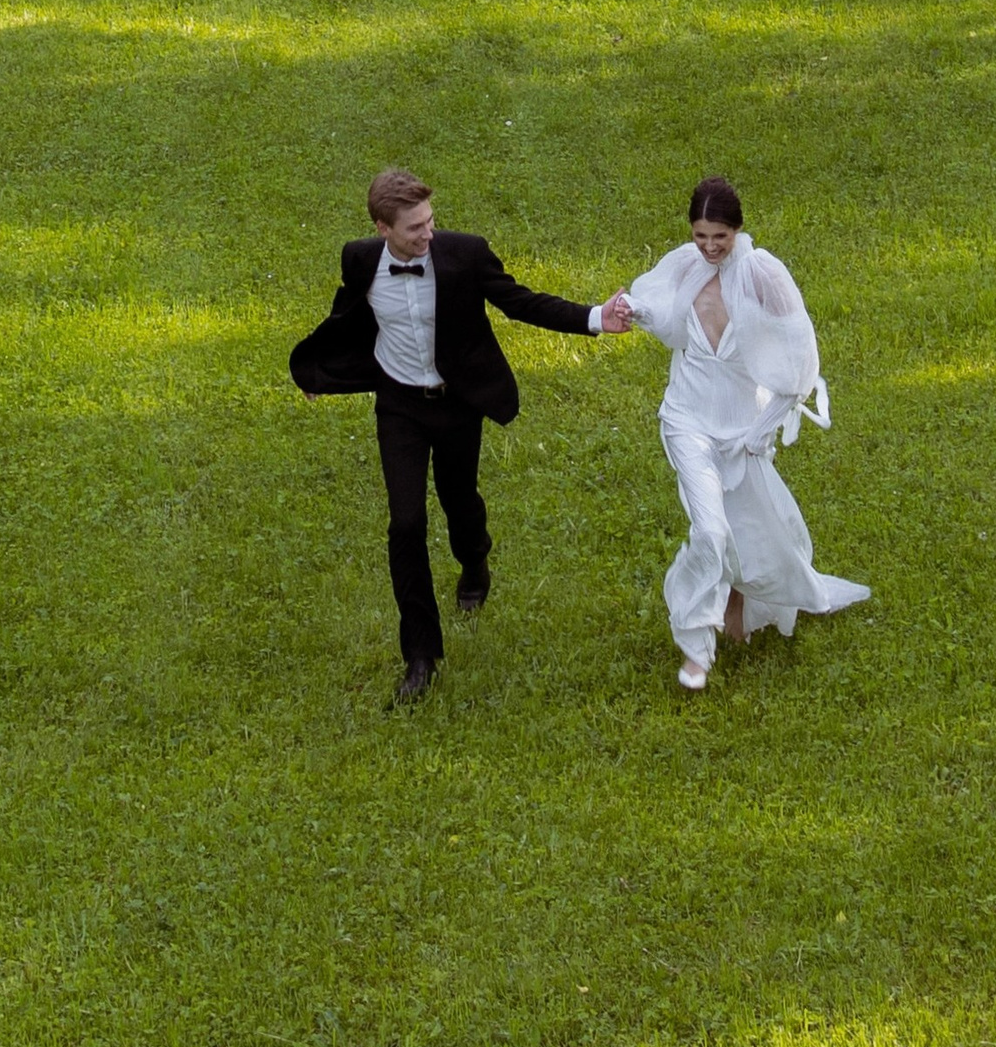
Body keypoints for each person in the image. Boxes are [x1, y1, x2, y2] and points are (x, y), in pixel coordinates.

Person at [290, 166, 633, 702]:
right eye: (413, 229)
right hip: (399, 405)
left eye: (430, 222)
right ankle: (420, 656)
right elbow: (348, 314)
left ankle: (474, 562)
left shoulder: (464, 253)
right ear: (382, 228)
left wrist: (594, 318)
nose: (427, 235)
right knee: (405, 523)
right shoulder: (360, 259)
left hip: (455, 405)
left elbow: (520, 301)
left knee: (460, 502)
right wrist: (317, 369)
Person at [611, 175, 867, 691]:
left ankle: (738, 612)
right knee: (710, 529)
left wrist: (760, 430)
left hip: (739, 428)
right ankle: (696, 651)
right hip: (686, 419)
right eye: (701, 235)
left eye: (719, 238)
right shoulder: (683, 264)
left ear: (737, 230)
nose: (708, 248)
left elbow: (799, 365)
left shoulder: (763, 276)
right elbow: (663, 318)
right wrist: (630, 310)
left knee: (749, 529)